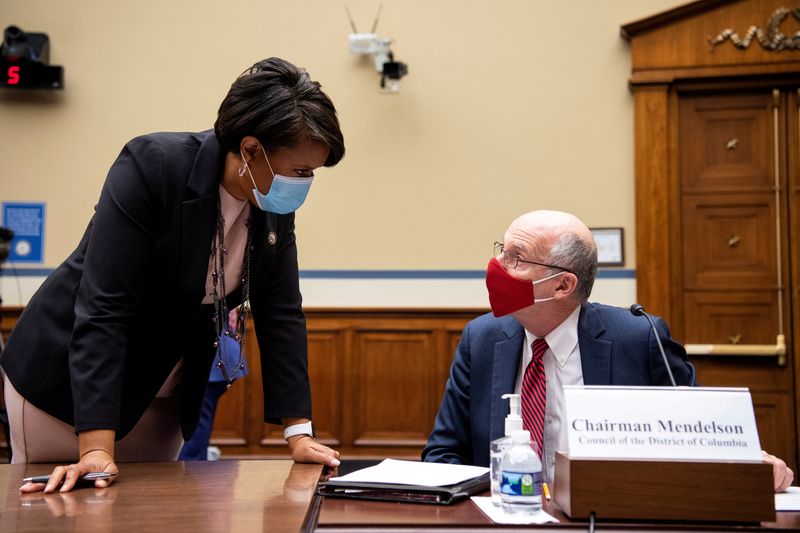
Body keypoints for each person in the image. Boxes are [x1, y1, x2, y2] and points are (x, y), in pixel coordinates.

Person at [1, 57, 343, 493]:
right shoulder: (154, 166)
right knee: (71, 504)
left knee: (154, 507)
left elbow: (281, 314)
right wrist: (94, 449)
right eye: (300, 171)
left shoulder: (271, 206)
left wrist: (299, 433)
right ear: (252, 149)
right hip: (68, 384)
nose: (305, 182)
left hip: (162, 388)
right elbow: (106, 307)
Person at [422, 210, 794, 493]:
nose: (498, 267)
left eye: (516, 258)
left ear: (562, 284)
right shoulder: (481, 337)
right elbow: (443, 455)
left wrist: (750, 464)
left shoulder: (639, 337)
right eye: (503, 251)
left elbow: (697, 439)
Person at [179, 308, 246, 461]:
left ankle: (190, 467)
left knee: (197, 418)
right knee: (201, 417)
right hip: (224, 352)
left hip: (213, 356)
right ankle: (195, 465)